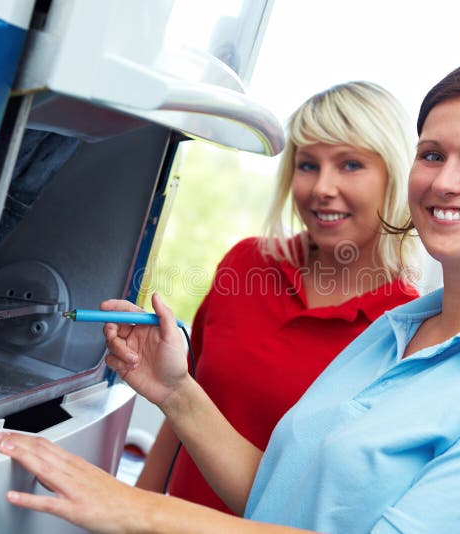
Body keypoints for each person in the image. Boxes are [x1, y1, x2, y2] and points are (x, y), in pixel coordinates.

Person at [0, 57, 460, 533]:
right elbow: (277, 499)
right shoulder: (395, 333)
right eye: (433, 155)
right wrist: (175, 391)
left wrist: (139, 512)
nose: (445, 181)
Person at [136, 81, 421, 513]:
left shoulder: (409, 326)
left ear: (395, 176)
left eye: (350, 165)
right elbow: (184, 404)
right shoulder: (246, 264)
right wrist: (133, 508)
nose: (322, 187)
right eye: (308, 165)